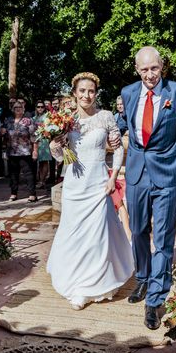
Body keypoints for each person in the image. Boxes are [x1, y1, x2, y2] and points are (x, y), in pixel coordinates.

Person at [121, 46, 176, 330]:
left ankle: (155, 299)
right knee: (139, 231)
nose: (150, 74)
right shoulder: (128, 93)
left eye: (154, 68)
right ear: (137, 70)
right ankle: (143, 279)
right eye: (144, 70)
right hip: (136, 173)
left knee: (164, 237)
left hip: (167, 174)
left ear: (162, 67)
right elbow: (126, 127)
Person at [47, 72, 133, 310]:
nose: (86, 95)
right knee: (74, 234)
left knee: (96, 237)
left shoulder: (105, 117)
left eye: (91, 91)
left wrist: (113, 178)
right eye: (82, 91)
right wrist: (55, 143)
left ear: (96, 93)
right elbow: (58, 156)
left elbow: (117, 149)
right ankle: (74, 280)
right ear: (74, 93)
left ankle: (88, 287)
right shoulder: (66, 120)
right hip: (73, 185)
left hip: (97, 184)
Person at [0, 102, 38, 202]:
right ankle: (13, 194)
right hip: (12, 152)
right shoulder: (8, 121)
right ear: (12, 109)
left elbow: (35, 136)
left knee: (28, 173)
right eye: (15, 107)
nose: (17, 109)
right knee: (13, 174)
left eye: (20, 107)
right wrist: (2, 131)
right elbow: (2, 133)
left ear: (23, 109)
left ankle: (32, 194)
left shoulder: (28, 121)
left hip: (25, 151)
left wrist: (35, 151)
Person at [33, 101, 51, 189]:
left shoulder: (47, 116)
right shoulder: (34, 118)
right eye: (38, 106)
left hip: (44, 141)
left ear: (44, 108)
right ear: (36, 108)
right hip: (36, 142)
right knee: (39, 162)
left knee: (44, 162)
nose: (40, 108)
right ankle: (40, 179)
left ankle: (42, 181)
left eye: (42, 107)